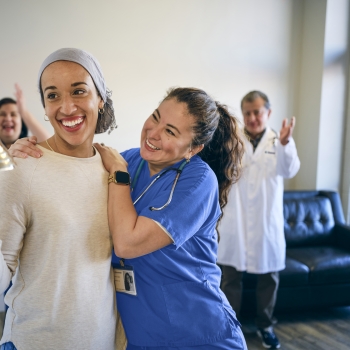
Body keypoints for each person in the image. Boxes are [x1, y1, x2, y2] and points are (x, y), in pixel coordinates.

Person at [10, 87, 248, 349]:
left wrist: (119, 173)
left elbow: (127, 244)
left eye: (170, 131)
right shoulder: (129, 160)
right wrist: (30, 153)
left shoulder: (198, 180)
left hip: (197, 334)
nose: (153, 133)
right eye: (155, 117)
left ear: (193, 148)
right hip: (142, 338)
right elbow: (70, 163)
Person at [0, 48, 126, 350]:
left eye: (79, 91)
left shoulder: (115, 168)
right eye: (53, 95)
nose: (67, 107)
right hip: (36, 341)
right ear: (44, 106)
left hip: (101, 341)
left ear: (100, 98)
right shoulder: (23, 166)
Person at [217, 90, 300, 349]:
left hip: (266, 224)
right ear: (243, 115)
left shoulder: (280, 141)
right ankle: (231, 328)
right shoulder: (233, 141)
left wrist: (285, 144)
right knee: (230, 279)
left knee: (269, 279)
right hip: (235, 222)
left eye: (258, 112)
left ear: (268, 113)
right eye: (248, 113)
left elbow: (289, 170)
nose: (253, 118)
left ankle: (266, 327)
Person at [0, 84, 49, 149]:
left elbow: (50, 146)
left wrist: (23, 111)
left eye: (13, 114)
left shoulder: (30, 145)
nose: (8, 119)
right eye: (2, 114)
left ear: (21, 122)